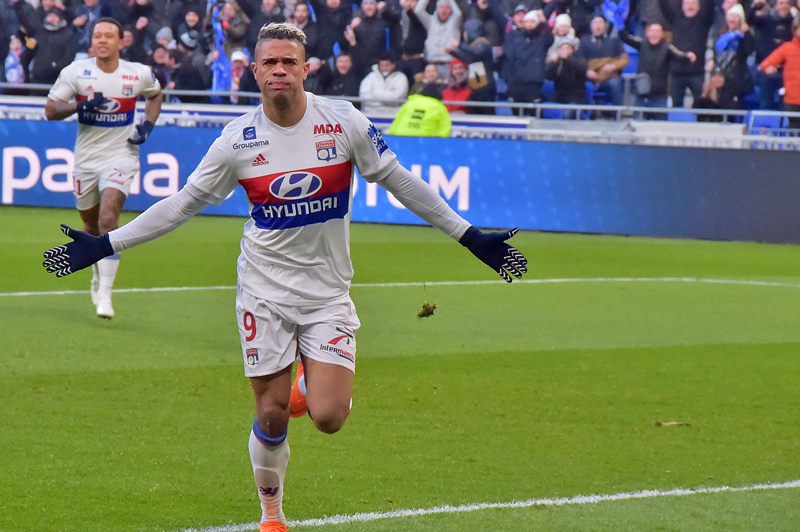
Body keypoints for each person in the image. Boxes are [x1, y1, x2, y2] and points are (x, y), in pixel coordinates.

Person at [42, 21, 527, 532]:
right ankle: (271, 516)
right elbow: (183, 204)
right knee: (271, 415)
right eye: (269, 62)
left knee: (329, 417)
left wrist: (470, 236)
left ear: (305, 68)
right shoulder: (237, 141)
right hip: (263, 292)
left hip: (327, 295)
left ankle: (307, 385)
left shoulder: (343, 122)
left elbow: (401, 182)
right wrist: (105, 243)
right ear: (254, 71)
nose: (279, 70)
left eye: (288, 62)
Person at [44, 17, 163, 318]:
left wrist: (147, 125)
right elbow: (51, 110)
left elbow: (155, 94)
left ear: (121, 42)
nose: (101, 41)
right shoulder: (76, 72)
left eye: (109, 36)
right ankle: (96, 275)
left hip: (122, 154)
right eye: (97, 36)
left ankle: (106, 295)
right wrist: (79, 106)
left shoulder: (137, 74)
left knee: (109, 218)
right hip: (86, 159)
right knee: (90, 225)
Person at [619, 22, 696, 119]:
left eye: (657, 31)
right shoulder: (641, 43)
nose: (654, 34)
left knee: (660, 126)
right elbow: (626, 38)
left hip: (659, 97)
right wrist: (620, 27)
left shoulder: (667, 48)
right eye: (652, 31)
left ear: (661, 34)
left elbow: (679, 56)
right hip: (641, 96)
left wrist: (688, 56)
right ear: (647, 33)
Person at [658, 0, 714, 107]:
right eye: (687, 3)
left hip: (697, 71)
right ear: (682, 6)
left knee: (699, 106)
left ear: (699, 7)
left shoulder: (704, 21)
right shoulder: (675, 19)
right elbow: (664, 6)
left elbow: (709, 5)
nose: (690, 6)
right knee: (676, 106)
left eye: (693, 3)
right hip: (676, 71)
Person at [747, 0, 794, 109]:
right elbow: (750, 19)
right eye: (781, 3)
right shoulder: (767, 20)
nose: (784, 7)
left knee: (785, 104)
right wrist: (756, 6)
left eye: (787, 4)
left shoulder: (794, 23)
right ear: (776, 6)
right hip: (768, 69)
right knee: (765, 103)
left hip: (786, 71)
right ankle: (764, 125)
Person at [502, 10, 553, 107]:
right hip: (516, 82)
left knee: (534, 113)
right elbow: (510, 56)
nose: (529, 24)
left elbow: (550, 39)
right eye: (527, 21)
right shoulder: (514, 37)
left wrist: (544, 21)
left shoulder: (541, 39)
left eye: (532, 21)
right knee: (517, 116)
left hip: (533, 83)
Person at [711, 3, 754, 110]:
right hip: (721, 80)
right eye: (731, 16)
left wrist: (746, 33)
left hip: (737, 81)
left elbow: (748, 51)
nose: (732, 19)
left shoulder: (744, 36)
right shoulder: (720, 34)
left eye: (736, 16)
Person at [760, 16, 800, 129]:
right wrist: (771, 68)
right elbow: (765, 65)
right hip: (792, 101)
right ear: (795, 30)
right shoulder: (787, 48)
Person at [579, 15, 628, 106]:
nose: (598, 26)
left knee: (614, 83)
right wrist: (587, 70)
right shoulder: (584, 41)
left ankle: (618, 114)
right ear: (591, 26)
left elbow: (624, 60)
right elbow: (580, 60)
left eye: (600, 23)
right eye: (595, 23)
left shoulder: (614, 40)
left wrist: (613, 65)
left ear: (605, 25)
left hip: (608, 78)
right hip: (590, 78)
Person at [414, 0, 463, 79]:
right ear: (437, 9)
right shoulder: (430, 22)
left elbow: (458, 13)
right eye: (441, 7)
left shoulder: (454, 22)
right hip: (431, 65)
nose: (444, 10)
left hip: (448, 65)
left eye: (447, 7)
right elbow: (418, 10)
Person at [388, 82, 452, 136]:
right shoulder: (439, 107)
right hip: (425, 139)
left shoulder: (409, 103)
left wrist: (391, 136)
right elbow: (445, 130)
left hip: (401, 136)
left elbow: (396, 122)